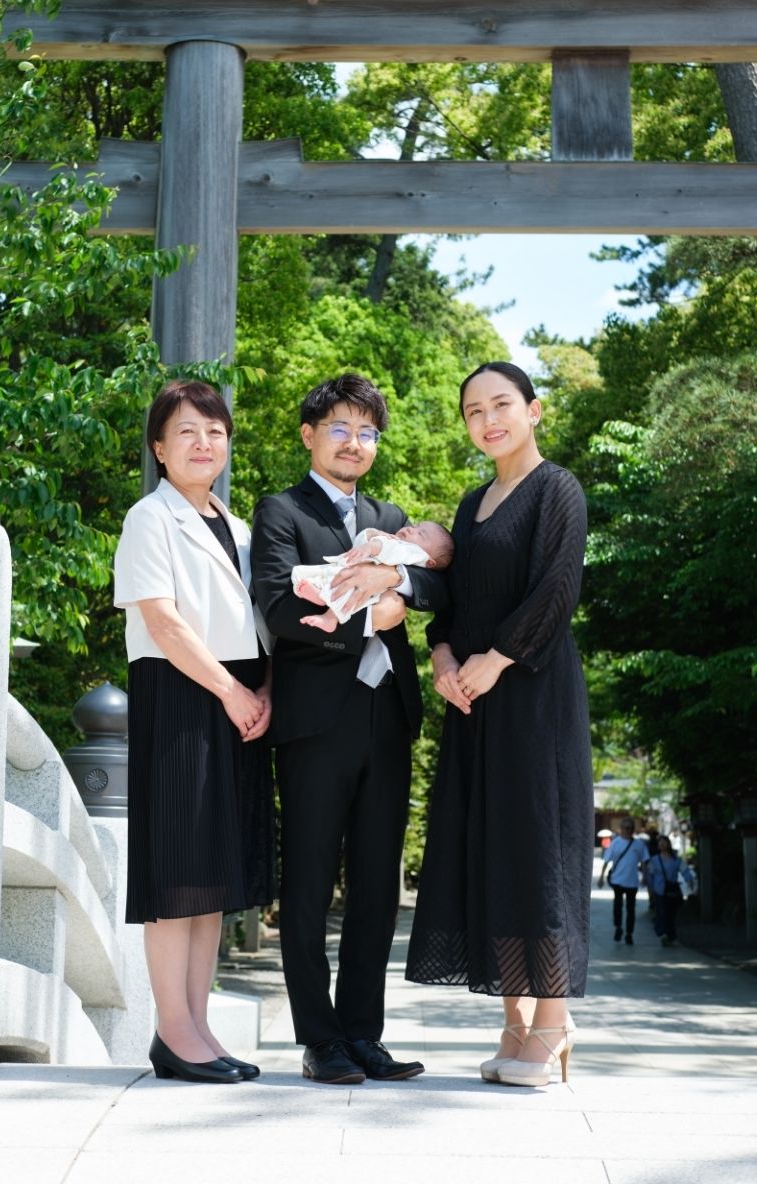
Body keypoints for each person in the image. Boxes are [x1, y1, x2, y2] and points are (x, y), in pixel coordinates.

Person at [250, 374, 451, 1085]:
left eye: (367, 432)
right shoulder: (280, 511)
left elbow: (436, 581)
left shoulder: (390, 515)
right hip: (314, 724)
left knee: (376, 885)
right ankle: (320, 1040)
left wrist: (398, 589)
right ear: (309, 435)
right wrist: (367, 617)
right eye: (340, 428)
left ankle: (364, 1033)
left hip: (386, 718)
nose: (354, 442)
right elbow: (278, 610)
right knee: (307, 884)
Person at [404, 362, 590, 1088]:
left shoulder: (557, 489)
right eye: (475, 410)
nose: (489, 419)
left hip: (534, 696)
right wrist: (445, 654)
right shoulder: (472, 502)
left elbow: (557, 588)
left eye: (502, 404)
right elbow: (451, 599)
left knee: (539, 849)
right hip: (474, 702)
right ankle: (513, 1023)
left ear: (534, 410)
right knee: (492, 851)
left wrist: (498, 658)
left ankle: (553, 1021)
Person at [112, 380, 275, 1085]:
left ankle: (198, 1029)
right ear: (159, 448)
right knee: (178, 873)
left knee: (214, 878)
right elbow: (164, 621)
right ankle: (172, 1032)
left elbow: (264, 623)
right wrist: (233, 689)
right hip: (182, 695)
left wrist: (264, 688)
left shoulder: (237, 528)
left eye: (214, 430)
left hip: (238, 700)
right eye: (186, 431)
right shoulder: (150, 518)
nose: (203, 442)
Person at [292, 521, 455, 631]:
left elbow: (392, 550)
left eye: (422, 534)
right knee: (337, 581)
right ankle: (325, 602)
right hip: (355, 575)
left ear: (430, 562)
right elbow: (361, 545)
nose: (412, 529)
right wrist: (372, 535)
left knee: (349, 592)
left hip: (372, 591)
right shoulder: (400, 542)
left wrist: (375, 546)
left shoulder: (415, 553)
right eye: (417, 525)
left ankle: (328, 610)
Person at [602, 817, 650, 946]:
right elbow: (607, 859)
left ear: (633, 829)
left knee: (631, 909)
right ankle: (618, 927)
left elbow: (644, 860)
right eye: (625, 827)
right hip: (617, 879)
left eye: (630, 828)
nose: (628, 830)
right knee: (617, 906)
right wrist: (602, 876)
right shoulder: (616, 843)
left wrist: (645, 876)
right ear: (621, 829)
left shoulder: (639, 844)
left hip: (632, 881)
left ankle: (629, 933)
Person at [643, 836, 696, 946]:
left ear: (668, 844)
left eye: (664, 842)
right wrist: (651, 889)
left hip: (672, 890)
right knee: (662, 912)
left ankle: (670, 936)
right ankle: (663, 934)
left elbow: (684, 870)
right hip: (659, 890)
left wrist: (689, 881)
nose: (662, 844)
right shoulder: (654, 860)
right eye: (660, 842)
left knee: (671, 914)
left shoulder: (675, 859)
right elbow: (650, 875)